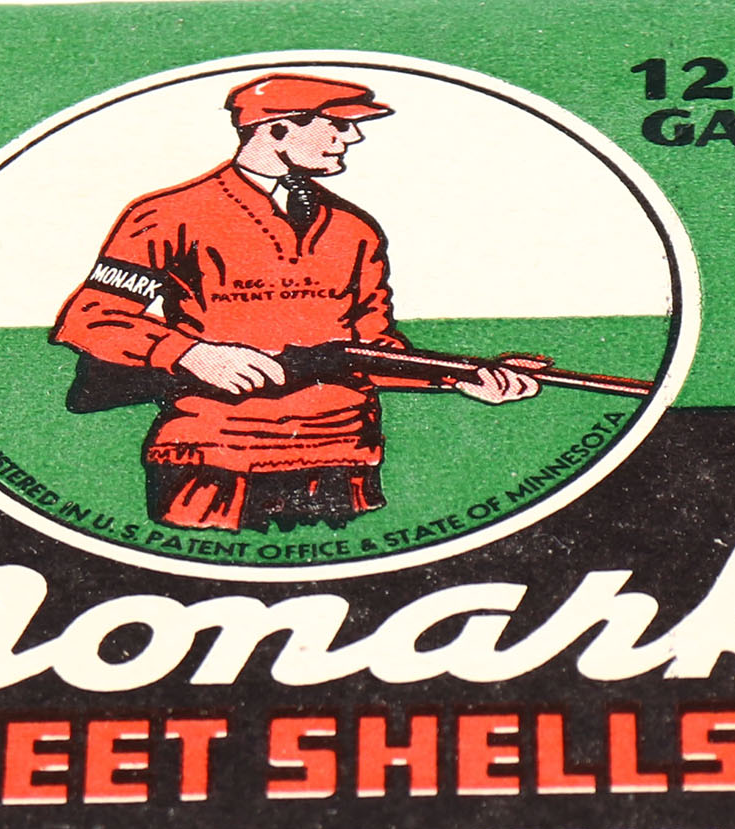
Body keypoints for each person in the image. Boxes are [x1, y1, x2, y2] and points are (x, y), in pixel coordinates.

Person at [52, 73, 539, 534]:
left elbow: (371, 347)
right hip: (215, 453)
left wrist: (460, 376)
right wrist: (192, 354)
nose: (351, 138)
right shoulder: (166, 214)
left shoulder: (354, 227)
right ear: (278, 128)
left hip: (344, 454)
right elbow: (91, 318)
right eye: (338, 125)